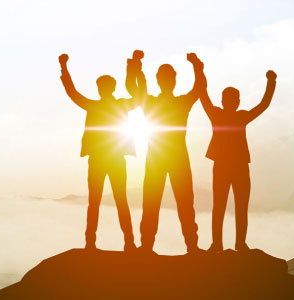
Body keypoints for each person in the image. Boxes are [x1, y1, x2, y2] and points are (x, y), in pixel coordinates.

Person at [58, 52, 144, 251]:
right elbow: (139, 98)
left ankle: (93, 244)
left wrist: (64, 67)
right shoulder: (120, 104)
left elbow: (72, 93)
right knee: (116, 200)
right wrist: (134, 66)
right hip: (113, 159)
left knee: (97, 202)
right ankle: (127, 243)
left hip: (101, 159)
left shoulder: (94, 106)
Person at [125, 52, 206, 255]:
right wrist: (197, 66)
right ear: (172, 81)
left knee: (161, 201)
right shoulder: (180, 103)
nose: (169, 81)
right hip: (172, 156)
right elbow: (199, 88)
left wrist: (135, 66)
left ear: (161, 81)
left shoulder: (153, 103)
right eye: (168, 78)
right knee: (180, 202)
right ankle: (190, 246)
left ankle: (149, 246)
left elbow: (133, 89)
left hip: (159, 157)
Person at [198, 70, 277, 253]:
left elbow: (203, 95)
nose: (233, 102)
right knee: (237, 207)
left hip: (225, 166)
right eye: (233, 99)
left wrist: (199, 70)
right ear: (235, 101)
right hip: (238, 166)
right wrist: (271, 82)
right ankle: (236, 244)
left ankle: (221, 244)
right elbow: (263, 105)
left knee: (221, 207)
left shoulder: (217, 114)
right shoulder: (238, 116)